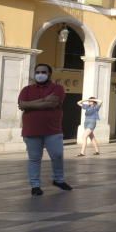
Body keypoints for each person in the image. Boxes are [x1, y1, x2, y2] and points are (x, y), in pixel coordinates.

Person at [17, 63, 73, 196]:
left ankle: (58, 180)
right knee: (34, 159)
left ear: (49, 74)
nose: (40, 74)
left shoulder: (58, 88)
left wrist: (30, 105)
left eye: (43, 72)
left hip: (53, 130)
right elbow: (21, 104)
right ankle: (35, 185)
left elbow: (52, 103)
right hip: (31, 130)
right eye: (37, 72)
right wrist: (43, 100)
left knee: (57, 155)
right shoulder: (26, 89)